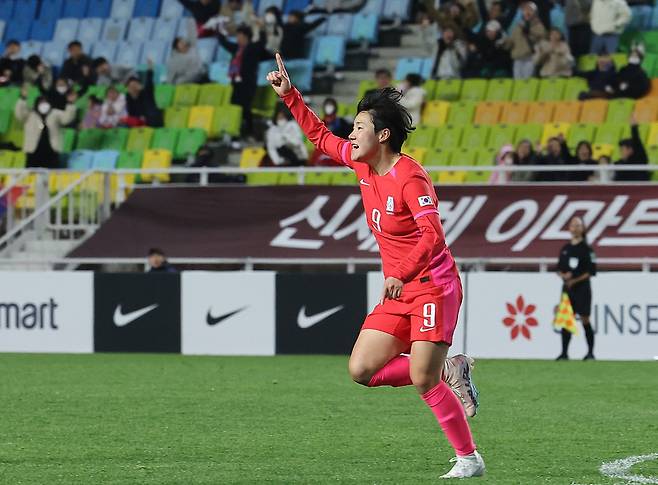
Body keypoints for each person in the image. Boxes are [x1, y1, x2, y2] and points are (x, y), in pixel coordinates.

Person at [267, 53, 485, 479]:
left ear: (382, 135)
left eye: (359, 128)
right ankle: (447, 367)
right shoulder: (361, 164)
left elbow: (432, 236)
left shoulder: (410, 177)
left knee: (422, 379)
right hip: (400, 286)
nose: (351, 134)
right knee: (361, 369)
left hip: (431, 285)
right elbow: (320, 138)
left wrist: (399, 273)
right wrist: (290, 95)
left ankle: (469, 459)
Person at [218, 24, 272, 136]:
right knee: (235, 105)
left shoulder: (253, 48)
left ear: (246, 36)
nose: (237, 38)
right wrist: (220, 30)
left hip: (248, 82)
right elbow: (224, 43)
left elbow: (262, 42)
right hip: (236, 82)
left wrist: (261, 28)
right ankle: (236, 129)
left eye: (239, 36)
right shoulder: (237, 48)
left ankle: (249, 130)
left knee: (245, 106)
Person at [556, 216, 597, 360]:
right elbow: (559, 268)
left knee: (585, 319)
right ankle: (564, 353)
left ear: (583, 228)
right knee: (567, 319)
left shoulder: (587, 249)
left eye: (578, 225)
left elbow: (591, 271)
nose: (575, 227)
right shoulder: (565, 249)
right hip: (568, 289)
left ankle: (590, 353)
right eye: (573, 225)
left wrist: (575, 280)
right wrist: (564, 275)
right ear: (569, 228)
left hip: (582, 289)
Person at [15, 86, 77, 168]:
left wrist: (70, 104)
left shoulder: (55, 113)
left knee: (51, 175)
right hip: (33, 150)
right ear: (37, 103)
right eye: (41, 102)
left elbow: (67, 118)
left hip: (51, 151)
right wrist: (22, 98)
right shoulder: (30, 114)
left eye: (45, 102)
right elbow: (19, 113)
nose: (44, 105)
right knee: (31, 175)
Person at [504, 2, 547, 79]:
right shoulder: (518, 26)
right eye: (525, 10)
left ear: (535, 13)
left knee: (527, 84)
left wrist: (529, 32)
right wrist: (503, 41)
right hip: (517, 59)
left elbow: (542, 40)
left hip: (530, 59)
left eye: (530, 10)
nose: (527, 12)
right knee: (518, 85)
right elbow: (511, 42)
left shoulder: (539, 25)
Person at [310, 98, 352, 166]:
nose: (329, 108)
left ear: (335, 108)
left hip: (338, 153)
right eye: (327, 105)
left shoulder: (343, 123)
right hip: (323, 153)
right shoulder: (320, 123)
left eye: (331, 105)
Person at [614, 116, 650, 182]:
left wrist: (634, 128)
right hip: (622, 190)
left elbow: (637, 142)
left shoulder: (640, 159)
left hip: (640, 189)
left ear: (630, 149)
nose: (620, 152)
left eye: (622, 150)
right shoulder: (618, 163)